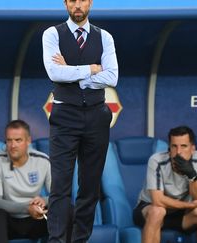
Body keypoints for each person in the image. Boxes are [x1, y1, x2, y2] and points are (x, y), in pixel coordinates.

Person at [42, 0, 118, 242]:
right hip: (65, 116)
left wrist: (74, 72)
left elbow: (112, 77)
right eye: (72, 0)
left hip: (97, 115)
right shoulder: (52, 33)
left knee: (89, 187)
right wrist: (92, 69)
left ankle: (80, 240)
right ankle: (57, 240)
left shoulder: (104, 36)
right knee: (60, 187)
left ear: (90, 2)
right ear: (65, 3)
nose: (78, 5)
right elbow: (55, 73)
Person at [133, 126, 197, 243]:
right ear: (169, 148)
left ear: (193, 149)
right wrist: (189, 206)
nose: (178, 152)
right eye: (174, 146)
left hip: (182, 215)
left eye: (184, 146)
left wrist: (192, 175)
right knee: (158, 211)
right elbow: (158, 201)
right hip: (150, 209)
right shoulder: (156, 161)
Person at [0, 120, 51, 243]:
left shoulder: (43, 160)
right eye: (9, 140)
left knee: (67, 211)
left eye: (18, 140)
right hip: (8, 221)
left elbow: (59, 196)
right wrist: (26, 208)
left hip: (34, 220)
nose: (13, 145)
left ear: (28, 141)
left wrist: (44, 201)